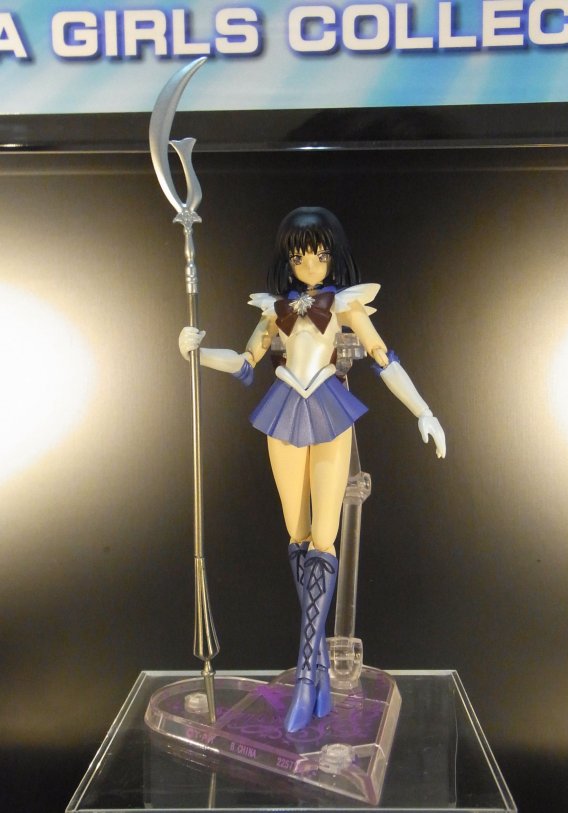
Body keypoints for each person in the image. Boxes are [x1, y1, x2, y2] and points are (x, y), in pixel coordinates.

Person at [179, 206, 446, 732]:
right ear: (288, 260)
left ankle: (306, 673)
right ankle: (317, 665)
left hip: (328, 408)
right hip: (282, 410)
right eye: (300, 257)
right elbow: (244, 363)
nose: (309, 266)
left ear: (333, 257)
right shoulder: (274, 311)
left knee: (325, 538)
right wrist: (197, 351)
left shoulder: (344, 305)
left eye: (319, 255)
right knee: (298, 536)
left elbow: (385, 359)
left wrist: (424, 412)